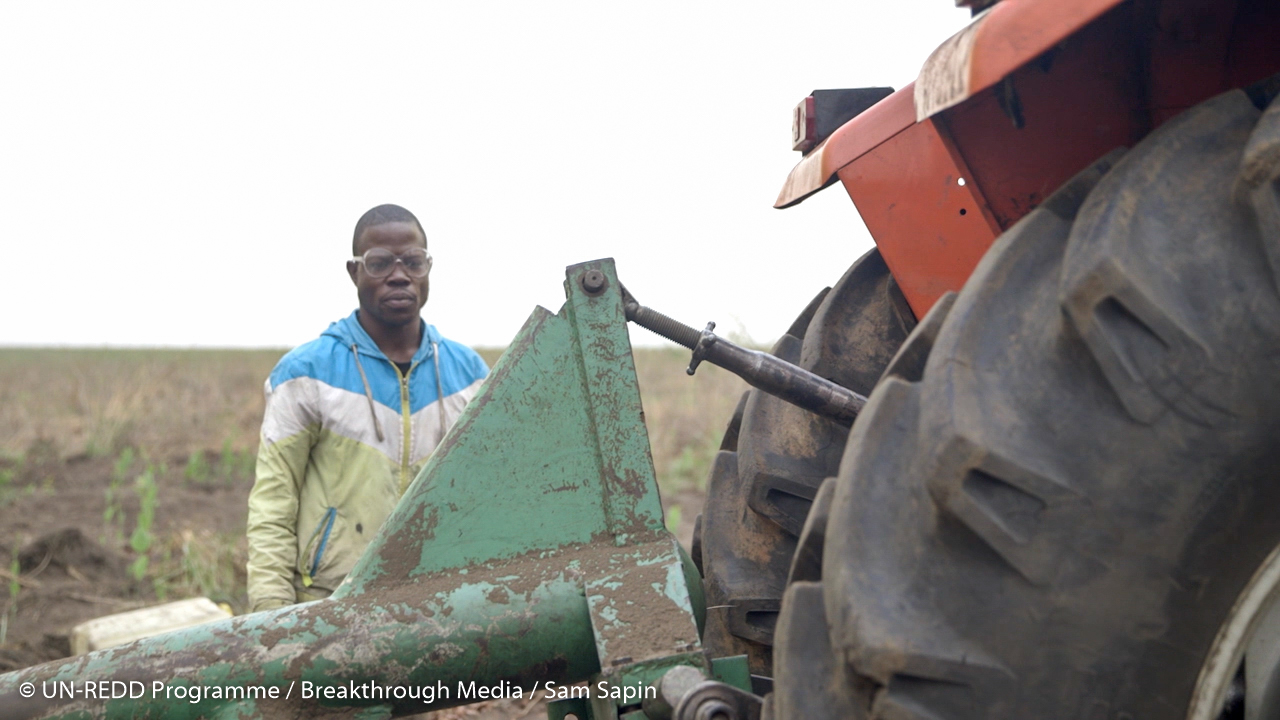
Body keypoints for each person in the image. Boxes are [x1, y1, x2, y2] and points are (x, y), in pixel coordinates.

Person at [246, 203, 488, 612]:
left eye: (413, 261)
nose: (399, 275)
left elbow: (487, 498)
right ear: (354, 271)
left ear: (428, 268)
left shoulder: (471, 376)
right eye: (379, 263)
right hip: (328, 606)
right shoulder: (305, 374)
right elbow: (274, 501)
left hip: (438, 603)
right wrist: (271, 615)